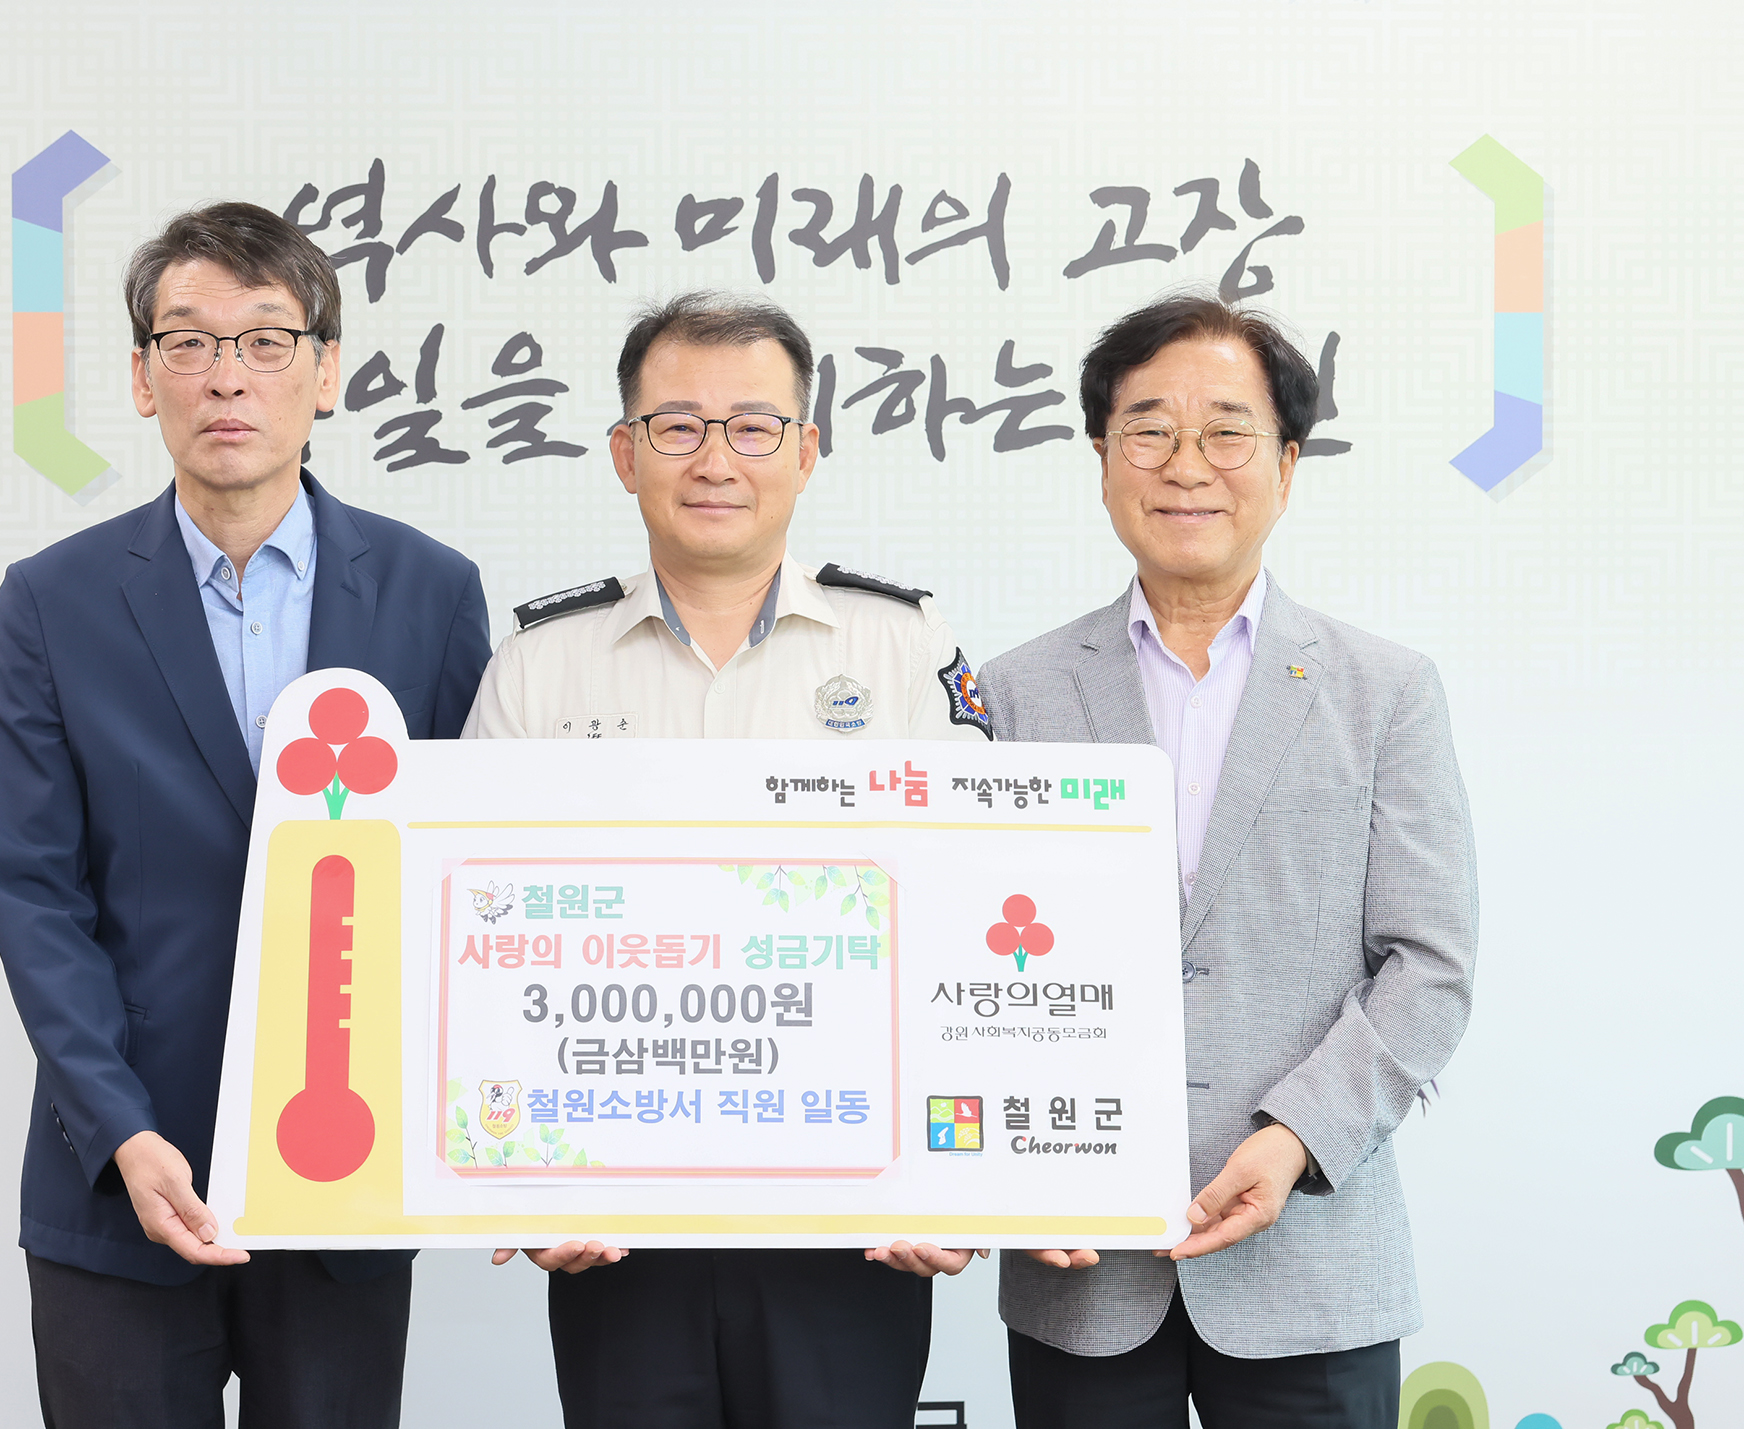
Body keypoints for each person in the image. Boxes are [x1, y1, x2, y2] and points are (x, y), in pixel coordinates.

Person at [0, 201, 492, 1427]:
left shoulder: (430, 591)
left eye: (264, 340)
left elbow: (467, 876)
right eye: (188, 341)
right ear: (141, 377)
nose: (225, 377)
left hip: (347, 1173)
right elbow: (30, 889)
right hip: (122, 1174)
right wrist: (120, 1128)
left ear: (326, 371)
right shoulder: (52, 602)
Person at [462, 291, 993, 1429]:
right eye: (677, 426)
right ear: (624, 453)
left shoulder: (902, 646)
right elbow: (475, 943)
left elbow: (972, 910)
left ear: (805, 451)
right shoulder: (540, 666)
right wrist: (516, 1179)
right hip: (613, 1220)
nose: (715, 459)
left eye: (753, 427)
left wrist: (958, 1180)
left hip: (853, 1216)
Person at [980, 292, 1477, 1429]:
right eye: (1149, 429)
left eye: (1225, 431)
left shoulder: (1383, 690)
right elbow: (965, 965)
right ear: (1102, 457)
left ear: (1287, 463)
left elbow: (1431, 964)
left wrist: (1298, 1134)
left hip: (1313, 1261)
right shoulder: (1011, 693)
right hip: (1083, 1271)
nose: (1185, 465)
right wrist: (1012, 1172)